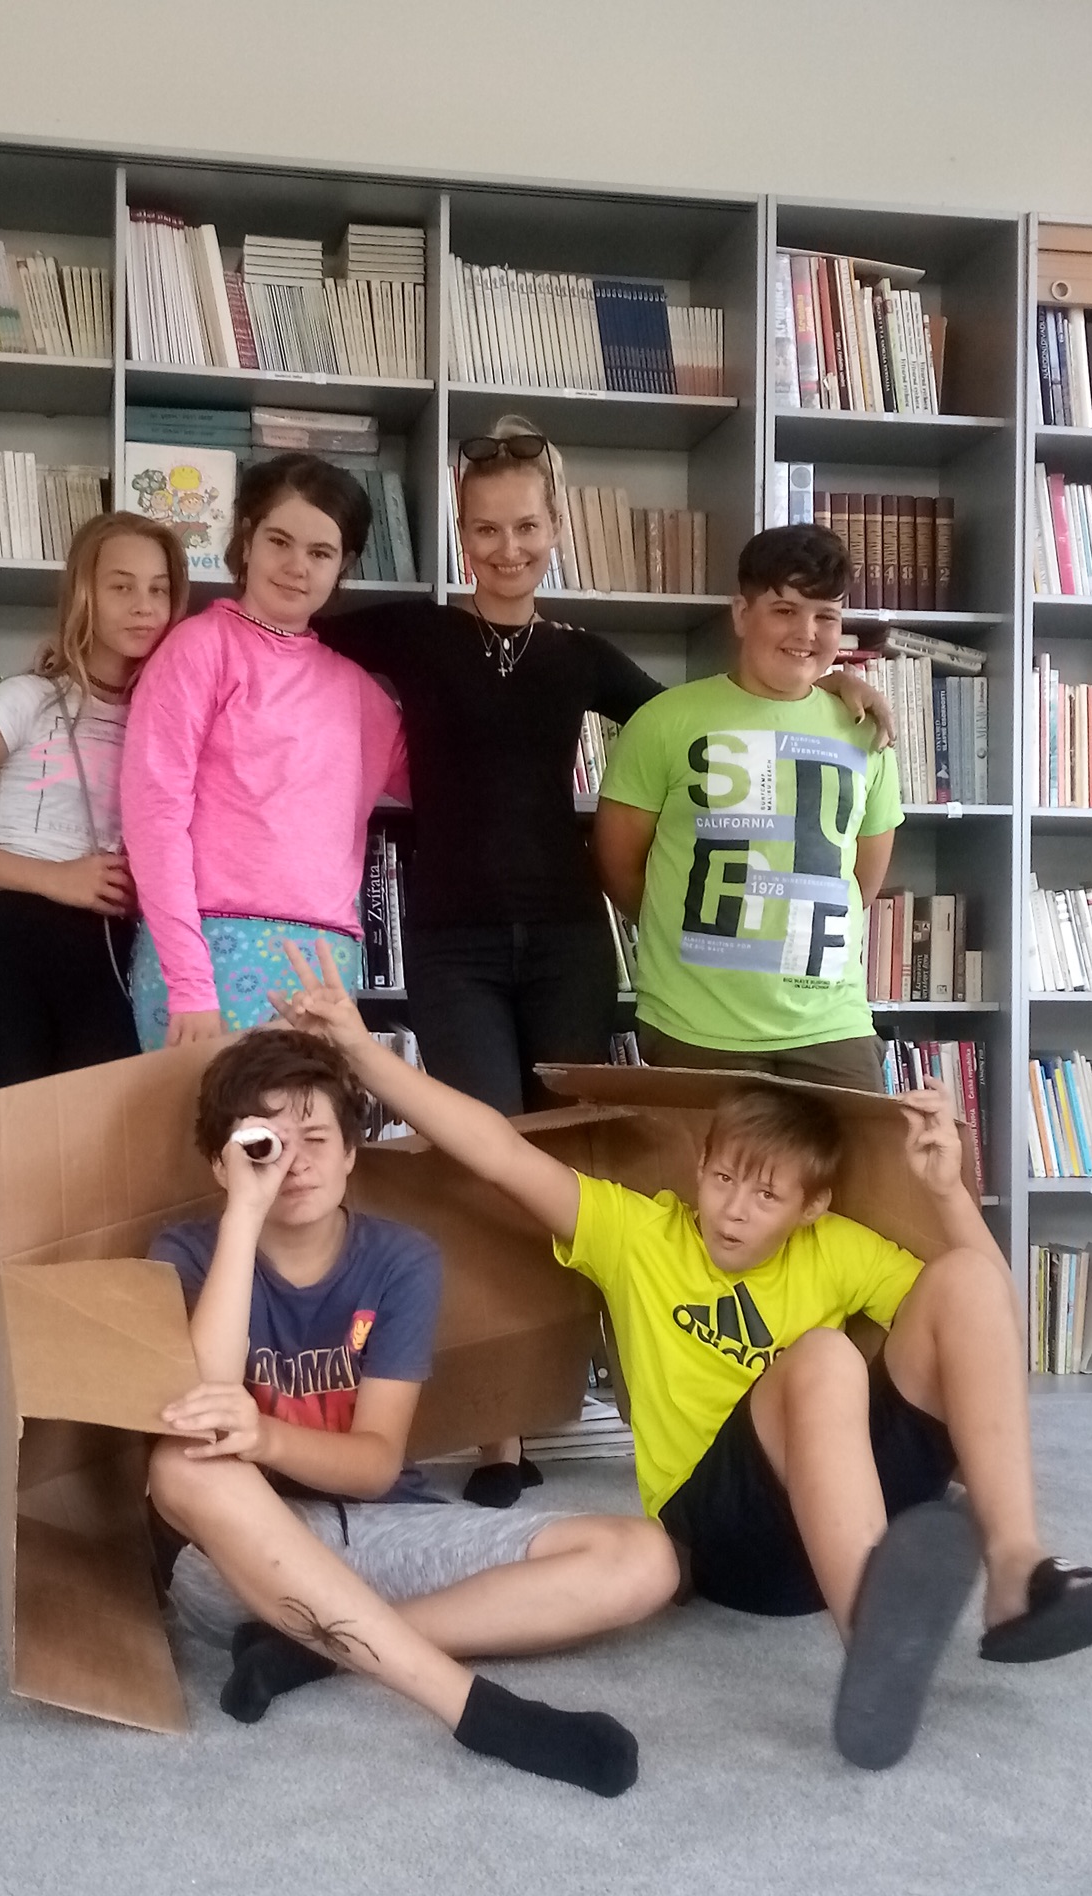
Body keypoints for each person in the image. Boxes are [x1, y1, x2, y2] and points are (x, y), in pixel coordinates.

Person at [272, 938, 1092, 1771]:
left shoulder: (836, 1248)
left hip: (844, 1497)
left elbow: (987, 1318)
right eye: (724, 1178)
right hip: (724, 1532)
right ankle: (872, 1642)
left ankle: (1017, 1570)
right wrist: (361, 1051)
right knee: (824, 1357)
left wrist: (949, 1193)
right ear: (699, 1166)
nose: (733, 1208)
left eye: (767, 1195)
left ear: (812, 1207)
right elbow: (498, 1153)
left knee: (963, 1279)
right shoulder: (638, 1236)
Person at [318, 429, 892, 1508]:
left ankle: (629, 1391)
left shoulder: (581, 655)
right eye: (485, 528)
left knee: (589, 1181)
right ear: (460, 532)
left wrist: (844, 682)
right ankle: (498, 1430)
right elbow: (286, 631)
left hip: (568, 945)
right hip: (452, 946)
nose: (507, 547)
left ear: (555, 529)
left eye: (527, 526)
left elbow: (721, 719)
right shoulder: (416, 632)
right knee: (486, 1171)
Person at [145, 1028, 679, 1797]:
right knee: (182, 1464)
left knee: (645, 1559)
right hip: (240, 1557)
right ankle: (471, 1707)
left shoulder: (400, 1260)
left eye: (315, 1139)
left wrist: (264, 1434)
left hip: (383, 1529)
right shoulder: (188, 1252)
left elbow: (374, 1466)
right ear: (222, 1161)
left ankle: (316, 1646)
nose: (294, 1162)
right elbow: (205, 1410)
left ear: (351, 1153)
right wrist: (242, 1217)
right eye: (265, 1144)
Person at [0, 510, 188, 1330]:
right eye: (121, 585)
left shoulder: (169, 710)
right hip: (13, 953)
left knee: (104, 1196)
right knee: (22, 1197)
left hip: (116, 958)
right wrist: (54, 878)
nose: (143, 605)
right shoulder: (27, 699)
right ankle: (21, 1405)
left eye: (159, 589)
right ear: (83, 592)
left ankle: (90, 1394)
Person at [593, 522, 900, 1092]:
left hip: (832, 1024)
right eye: (784, 610)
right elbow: (619, 867)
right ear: (741, 614)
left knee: (870, 1154)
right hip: (694, 1025)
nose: (806, 633)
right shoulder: (664, 722)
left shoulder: (866, 731)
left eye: (826, 616)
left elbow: (861, 882)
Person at [120, 453, 408, 1051]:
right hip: (208, 954)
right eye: (280, 541)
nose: (297, 566)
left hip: (326, 962)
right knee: (206, 1117)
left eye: (320, 553)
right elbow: (154, 817)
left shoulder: (360, 693)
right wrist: (189, 983)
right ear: (247, 539)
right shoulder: (198, 649)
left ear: (344, 565)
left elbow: (447, 783)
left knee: (310, 1117)